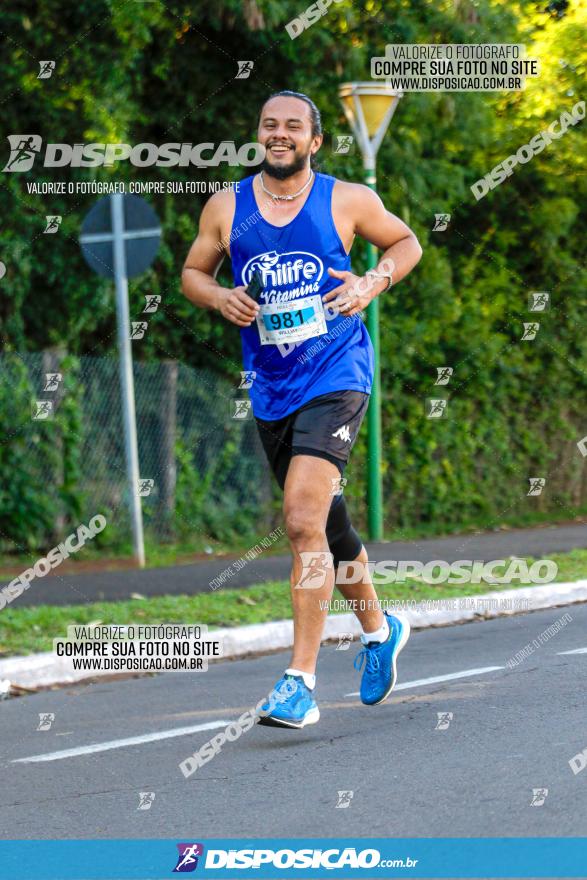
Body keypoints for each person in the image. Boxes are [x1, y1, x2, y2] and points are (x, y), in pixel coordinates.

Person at [181, 90, 422, 728]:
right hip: (271, 386)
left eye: (294, 126)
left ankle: (300, 682)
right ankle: (379, 629)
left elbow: (406, 243)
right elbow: (192, 273)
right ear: (259, 134)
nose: (280, 133)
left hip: (337, 373)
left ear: (315, 141)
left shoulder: (346, 199)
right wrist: (216, 297)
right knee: (325, 523)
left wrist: (373, 281)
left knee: (299, 518)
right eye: (270, 124)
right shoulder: (227, 206)